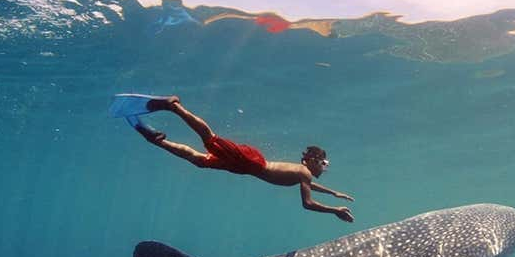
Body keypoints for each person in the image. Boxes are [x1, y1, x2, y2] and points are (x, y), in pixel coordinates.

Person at [134, 96, 355, 222]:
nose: (325, 168)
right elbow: (307, 204)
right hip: (251, 162)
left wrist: (333, 192)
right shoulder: (304, 173)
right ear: (314, 160)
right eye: (324, 163)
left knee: (201, 161)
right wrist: (335, 210)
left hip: (248, 166)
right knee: (209, 138)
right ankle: (174, 106)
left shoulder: (303, 174)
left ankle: (157, 140)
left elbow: (308, 184)